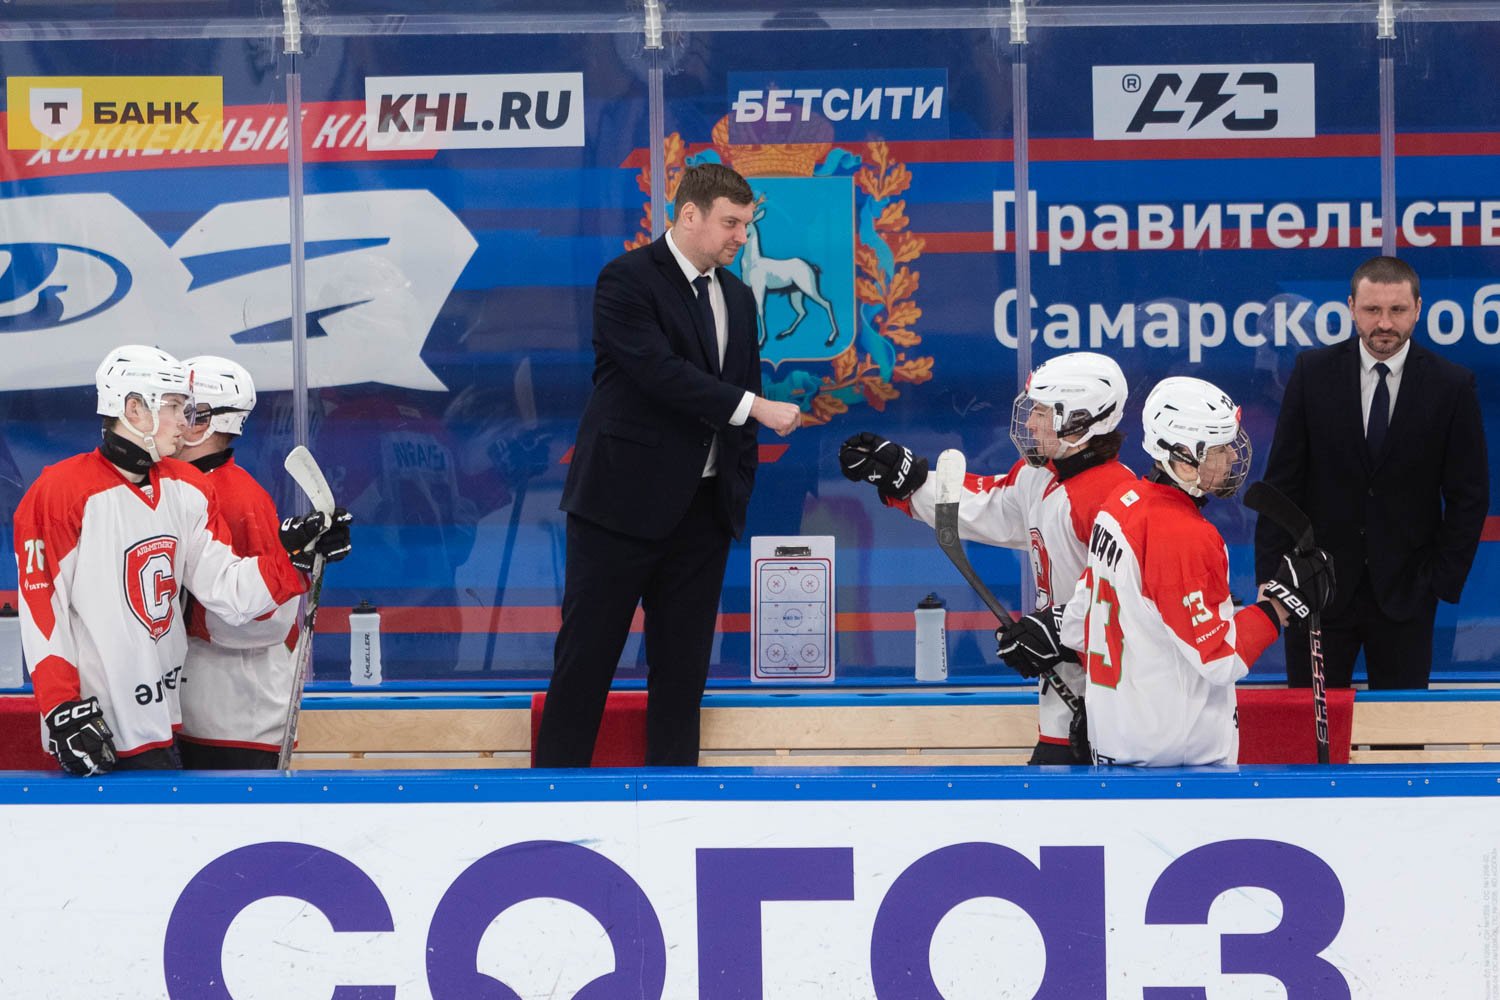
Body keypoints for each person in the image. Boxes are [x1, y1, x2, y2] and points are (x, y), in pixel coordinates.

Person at [535, 163, 802, 767]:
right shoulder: (626, 280)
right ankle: (551, 799)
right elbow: (660, 374)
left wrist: (733, 490)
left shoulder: (738, 296)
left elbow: (741, 387)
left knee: (683, 675)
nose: (742, 236)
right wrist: (755, 408)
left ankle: (675, 801)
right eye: (730, 223)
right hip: (617, 511)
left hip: (702, 516)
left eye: (746, 224)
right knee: (585, 663)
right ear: (689, 215)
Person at [11, 345, 350, 775]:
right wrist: (60, 706)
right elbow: (44, 610)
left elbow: (228, 590)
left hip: (164, 722)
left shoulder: (187, 487)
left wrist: (296, 556)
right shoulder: (59, 492)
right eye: (172, 406)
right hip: (93, 727)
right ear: (134, 408)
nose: (184, 422)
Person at [1014, 376, 1334, 766]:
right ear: (1183, 457)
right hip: (1173, 763)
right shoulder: (1185, 535)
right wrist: (1278, 607)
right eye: (1219, 449)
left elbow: (1081, 621)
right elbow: (1220, 657)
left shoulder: (1121, 503)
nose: (1232, 459)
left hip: (1117, 741)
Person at [838, 352, 1137, 763]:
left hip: (1117, 704)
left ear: (1079, 421)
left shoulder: (1116, 498)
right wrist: (908, 480)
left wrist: (1060, 631)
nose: (1030, 423)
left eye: (1043, 412)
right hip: (1061, 702)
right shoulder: (1039, 478)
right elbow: (988, 506)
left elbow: (1131, 601)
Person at [1255, 256, 1489, 689]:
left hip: (1407, 596)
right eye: (1372, 309)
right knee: (1313, 727)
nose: (1384, 323)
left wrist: (1438, 581)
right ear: (1351, 308)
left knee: (1402, 728)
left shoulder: (1452, 385)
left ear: (1418, 309)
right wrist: (1274, 578)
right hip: (1315, 593)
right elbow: (1281, 487)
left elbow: (1469, 495)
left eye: (1397, 310)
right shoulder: (1311, 374)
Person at [175, 356, 352, 769]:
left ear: (202, 421)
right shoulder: (184, 487)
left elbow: (271, 619)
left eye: (179, 408)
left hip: (237, 720)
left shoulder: (237, 497)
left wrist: (184, 613)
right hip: (202, 712)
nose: (167, 419)